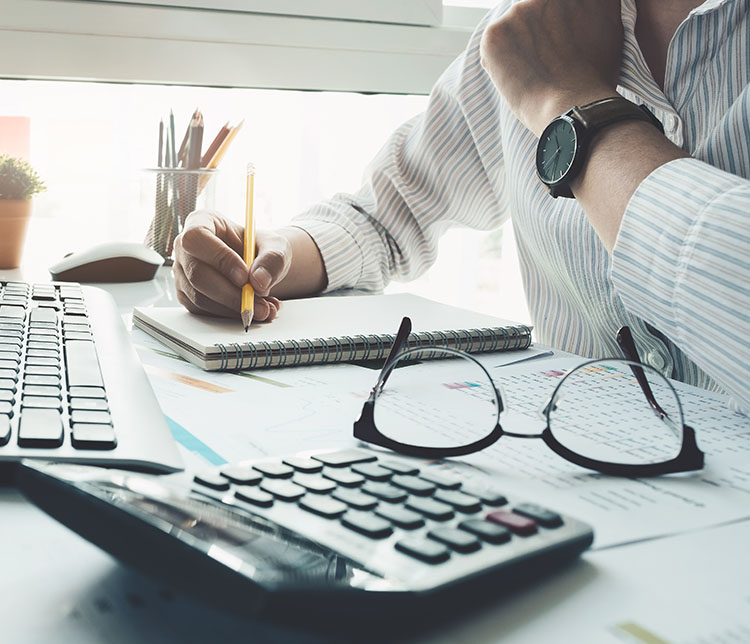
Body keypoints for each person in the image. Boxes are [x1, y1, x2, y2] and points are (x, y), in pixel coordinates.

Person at [173, 0, 750, 411]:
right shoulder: (526, 28)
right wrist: (266, 257)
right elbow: (383, 218)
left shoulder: (547, 56)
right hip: (582, 492)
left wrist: (573, 104)